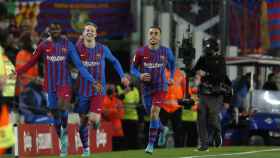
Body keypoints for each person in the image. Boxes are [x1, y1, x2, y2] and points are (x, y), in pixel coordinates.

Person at [15, 22, 95, 157]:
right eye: (53, 31)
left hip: (64, 84)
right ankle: (62, 138)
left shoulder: (67, 45)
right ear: (49, 32)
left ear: (60, 31)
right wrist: (18, 72)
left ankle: (67, 132)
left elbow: (79, 66)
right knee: (54, 112)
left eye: (57, 30)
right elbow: (31, 61)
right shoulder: (43, 46)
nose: (55, 33)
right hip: (50, 85)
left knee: (62, 107)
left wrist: (91, 80)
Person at [74, 22, 129, 156]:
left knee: (93, 118)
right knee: (81, 122)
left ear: (96, 34)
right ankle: (86, 148)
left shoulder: (103, 49)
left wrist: (122, 76)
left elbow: (115, 62)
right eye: (87, 30)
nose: (89, 32)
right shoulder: (77, 48)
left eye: (92, 31)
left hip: (98, 90)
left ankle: (96, 121)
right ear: (83, 33)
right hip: (83, 90)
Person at [131, 26, 175, 154]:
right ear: (148, 35)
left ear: (160, 36)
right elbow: (133, 68)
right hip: (146, 88)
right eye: (151, 33)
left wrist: (171, 77)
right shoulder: (140, 52)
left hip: (161, 86)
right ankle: (163, 129)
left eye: (156, 33)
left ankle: (150, 145)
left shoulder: (166, 51)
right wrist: (140, 75)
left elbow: (172, 65)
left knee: (154, 113)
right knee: (151, 115)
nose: (153, 35)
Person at [191, 37, 231, 151]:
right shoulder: (203, 58)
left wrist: (206, 74)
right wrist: (191, 70)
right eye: (206, 47)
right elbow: (194, 70)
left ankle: (217, 132)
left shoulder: (220, 59)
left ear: (215, 48)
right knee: (201, 119)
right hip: (203, 93)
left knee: (213, 117)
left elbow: (221, 77)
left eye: (209, 47)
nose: (207, 50)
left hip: (216, 93)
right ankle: (204, 145)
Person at [159, 67, 186, 147]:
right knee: (161, 129)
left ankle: (179, 148)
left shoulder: (180, 73)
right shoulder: (161, 72)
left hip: (176, 107)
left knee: (178, 130)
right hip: (164, 106)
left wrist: (182, 101)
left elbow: (185, 89)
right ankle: (158, 148)